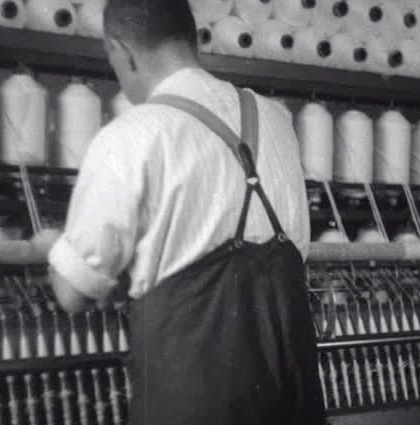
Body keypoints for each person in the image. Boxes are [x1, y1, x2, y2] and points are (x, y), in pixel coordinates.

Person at [45, 0, 326, 423]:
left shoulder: (131, 136)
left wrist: (51, 246)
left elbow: (73, 292)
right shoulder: (276, 120)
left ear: (122, 52)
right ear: (192, 40)